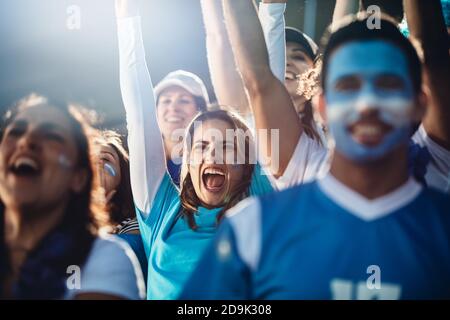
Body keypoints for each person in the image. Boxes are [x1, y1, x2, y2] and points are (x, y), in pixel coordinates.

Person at [181, 9, 450, 300]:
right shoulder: (252, 227)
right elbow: (258, 78)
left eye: (387, 85)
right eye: (348, 86)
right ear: (322, 106)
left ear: (420, 104)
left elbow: (433, 53)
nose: (367, 104)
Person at [115, 0, 273, 299]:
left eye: (227, 146)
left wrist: (270, 11)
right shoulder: (161, 209)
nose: (213, 155)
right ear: (186, 159)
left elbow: (263, 86)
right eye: (201, 146)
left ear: (247, 164)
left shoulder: (262, 199)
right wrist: (127, 18)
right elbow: (139, 117)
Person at [0, 94, 145, 299]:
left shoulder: (104, 254)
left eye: (52, 136)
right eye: (15, 131)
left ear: (79, 178)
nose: (26, 141)